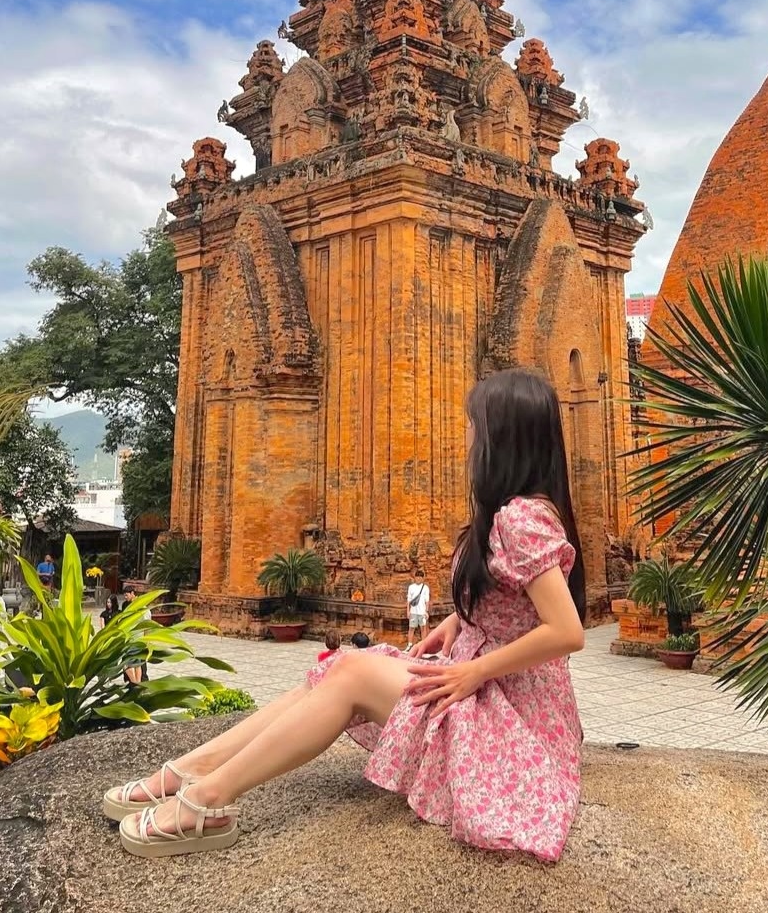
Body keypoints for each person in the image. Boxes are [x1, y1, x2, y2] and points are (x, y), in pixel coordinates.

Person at [104, 368, 586, 864]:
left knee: (351, 670)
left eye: (473, 424)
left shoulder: (521, 517)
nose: (464, 434)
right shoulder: (516, 512)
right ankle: (192, 770)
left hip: (511, 718)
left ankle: (206, 800)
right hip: (490, 694)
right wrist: (456, 624)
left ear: (501, 437)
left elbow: (567, 631)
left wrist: (474, 669)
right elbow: (514, 603)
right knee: (336, 668)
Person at [120, 588, 150, 684]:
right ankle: (137, 683)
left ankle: (135, 683)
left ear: (132, 593)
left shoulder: (142, 609)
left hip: (136, 639)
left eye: (126, 595)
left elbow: (147, 626)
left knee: (128, 664)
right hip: (131, 638)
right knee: (137, 664)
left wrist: (147, 640)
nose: (125, 597)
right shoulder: (128, 606)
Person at [405, 569, 430, 651]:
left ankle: (424, 645)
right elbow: (408, 600)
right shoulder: (411, 587)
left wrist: (426, 611)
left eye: (420, 577)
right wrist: (408, 611)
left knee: (423, 629)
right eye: (417, 577)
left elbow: (427, 601)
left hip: (422, 612)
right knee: (411, 628)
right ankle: (409, 645)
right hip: (413, 612)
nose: (418, 579)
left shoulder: (425, 588)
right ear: (414, 578)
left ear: (423, 578)